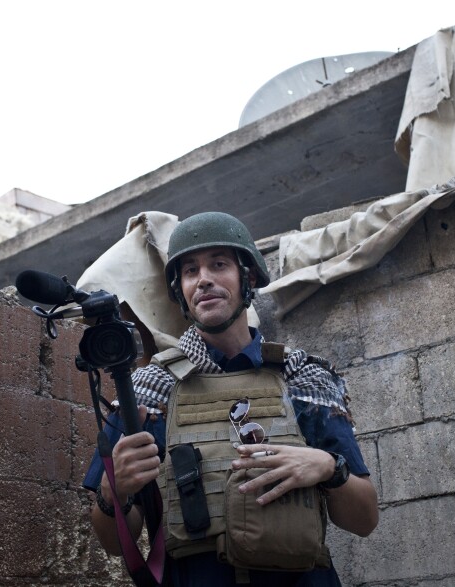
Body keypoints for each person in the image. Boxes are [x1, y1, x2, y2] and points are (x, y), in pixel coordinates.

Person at [83, 211, 378, 586]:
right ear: (180, 291)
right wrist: (113, 494)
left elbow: (364, 519)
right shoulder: (146, 391)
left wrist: (327, 467)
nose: (203, 280)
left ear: (248, 277)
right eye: (190, 271)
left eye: (218, 265)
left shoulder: (303, 378)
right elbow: (112, 543)